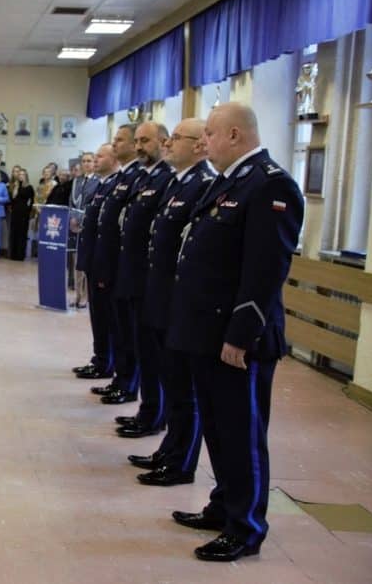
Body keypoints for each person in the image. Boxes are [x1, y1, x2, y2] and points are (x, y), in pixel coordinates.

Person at [168, 103, 303, 562]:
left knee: (242, 435)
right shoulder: (229, 182)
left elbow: (265, 271)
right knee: (219, 428)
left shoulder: (270, 185)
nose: (203, 141)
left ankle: (246, 528)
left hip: (237, 339)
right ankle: (224, 506)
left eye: (209, 133)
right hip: (207, 332)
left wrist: (240, 336)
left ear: (233, 135)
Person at [132, 118, 214, 486]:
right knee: (171, 381)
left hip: (178, 301)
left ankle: (181, 462)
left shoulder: (203, 184)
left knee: (183, 389)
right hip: (161, 296)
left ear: (198, 145)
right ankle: (169, 450)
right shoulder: (179, 183)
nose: (168, 144)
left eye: (176, 138)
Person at [112, 122, 174, 439]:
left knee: (153, 355)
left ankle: (154, 414)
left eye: (145, 141)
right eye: (136, 141)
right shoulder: (146, 178)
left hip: (151, 281)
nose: (139, 147)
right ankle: (148, 411)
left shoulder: (167, 179)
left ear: (164, 141)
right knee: (143, 350)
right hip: (135, 278)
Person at [89, 125, 145, 405]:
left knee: (125, 332)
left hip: (124, 270)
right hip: (111, 265)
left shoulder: (137, 178)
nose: (114, 144)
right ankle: (119, 377)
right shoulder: (123, 178)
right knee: (116, 326)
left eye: (120, 140)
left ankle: (127, 382)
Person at [72, 145, 120, 379]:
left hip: (104, 262)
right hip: (93, 259)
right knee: (98, 316)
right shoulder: (102, 185)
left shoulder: (117, 185)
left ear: (114, 159)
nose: (95, 160)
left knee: (106, 318)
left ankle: (106, 362)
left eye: (100, 156)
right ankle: (100, 359)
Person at [69, 152, 99, 309]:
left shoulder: (98, 180)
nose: (86, 164)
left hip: (89, 224)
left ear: (95, 163)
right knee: (77, 261)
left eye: (89, 161)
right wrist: (73, 219)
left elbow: (94, 203)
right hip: (76, 225)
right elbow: (72, 202)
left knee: (87, 261)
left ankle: (86, 297)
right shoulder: (77, 181)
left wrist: (84, 220)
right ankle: (77, 294)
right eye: (84, 161)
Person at [8, 169, 33, 260]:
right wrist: (15, 188)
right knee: (14, 233)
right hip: (15, 213)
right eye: (20, 174)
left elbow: (31, 201)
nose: (21, 176)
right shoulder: (15, 186)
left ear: (26, 176)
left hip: (24, 214)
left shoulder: (29, 187)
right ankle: (13, 254)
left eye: (23, 174)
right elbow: (13, 199)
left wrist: (28, 211)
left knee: (22, 234)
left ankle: (20, 254)